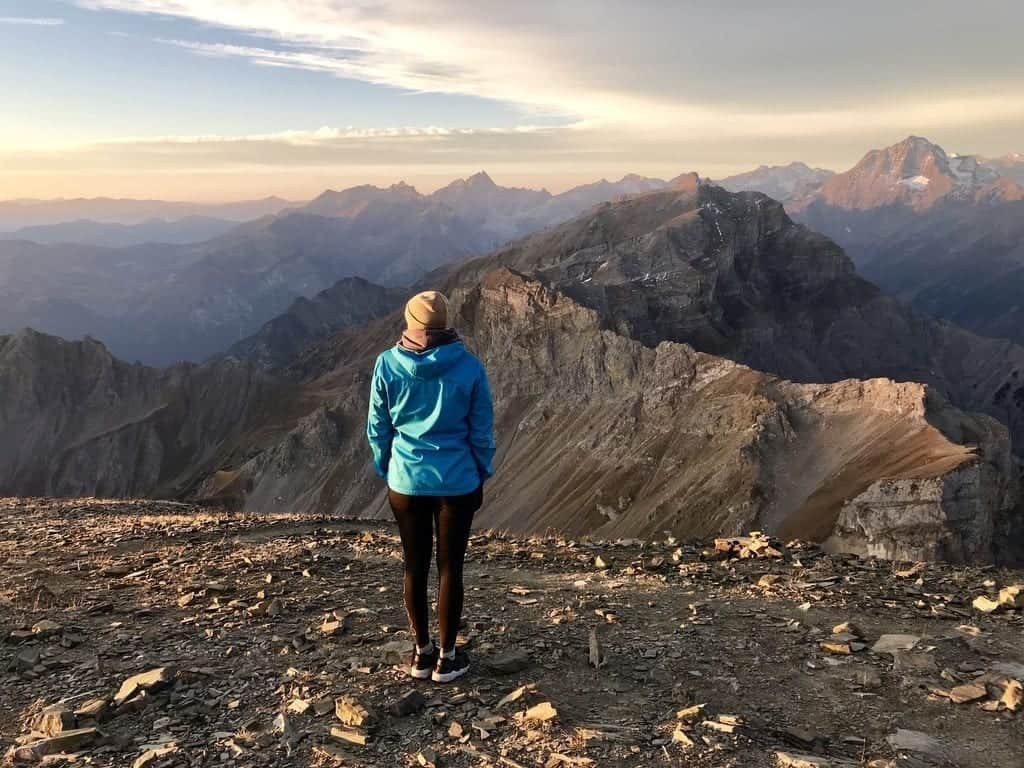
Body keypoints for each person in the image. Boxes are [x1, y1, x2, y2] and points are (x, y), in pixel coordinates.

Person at [366, 290, 495, 683]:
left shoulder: (386, 365)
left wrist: (389, 468)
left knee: (414, 565)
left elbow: (378, 428)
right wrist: (480, 471)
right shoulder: (470, 368)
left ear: (409, 323)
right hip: (457, 483)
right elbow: (482, 431)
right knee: (450, 567)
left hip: (406, 482)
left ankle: (421, 654)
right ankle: (448, 657)